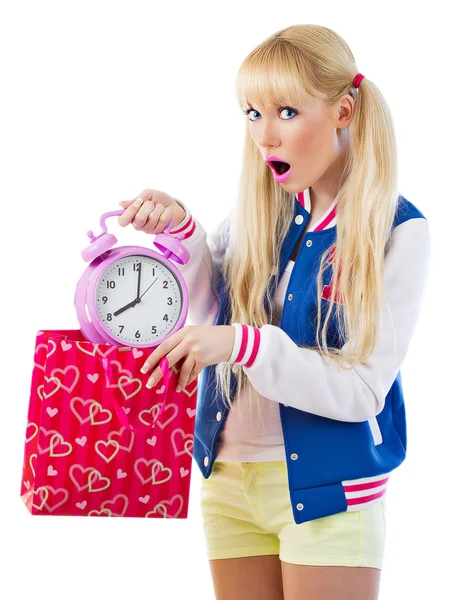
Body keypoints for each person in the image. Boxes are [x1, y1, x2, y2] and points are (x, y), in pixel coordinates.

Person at [118, 24, 431, 600]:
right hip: (229, 484)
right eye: (252, 113)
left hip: (328, 493)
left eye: (286, 112)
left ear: (342, 111)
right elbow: (210, 316)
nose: (265, 137)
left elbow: (363, 390)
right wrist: (181, 233)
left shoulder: (395, 230)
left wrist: (246, 345)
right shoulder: (254, 217)